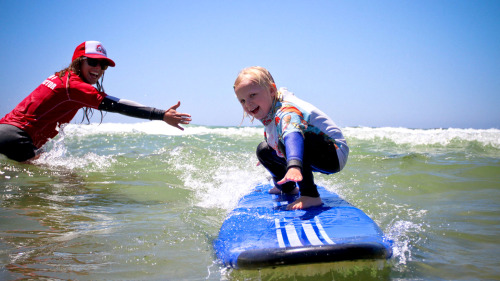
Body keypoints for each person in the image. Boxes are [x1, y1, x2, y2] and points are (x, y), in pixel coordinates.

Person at [0, 40, 192, 162]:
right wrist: (161, 115)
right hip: (18, 139)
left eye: (103, 65)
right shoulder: (75, 87)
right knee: (66, 180)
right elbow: (117, 105)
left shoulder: (61, 77)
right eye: (92, 62)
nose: (98, 68)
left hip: (6, 132)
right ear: (78, 61)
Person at [233, 66, 349, 210]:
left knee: (287, 139)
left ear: (271, 90)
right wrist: (270, 154)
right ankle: (286, 187)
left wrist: (294, 166)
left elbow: (292, 134)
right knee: (263, 150)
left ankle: (310, 195)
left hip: (333, 154)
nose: (248, 104)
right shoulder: (271, 107)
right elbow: (275, 132)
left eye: (252, 95)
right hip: (308, 148)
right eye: (242, 101)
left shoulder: (286, 110)